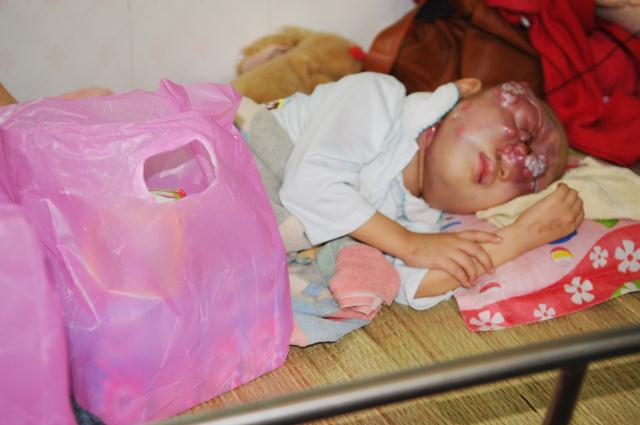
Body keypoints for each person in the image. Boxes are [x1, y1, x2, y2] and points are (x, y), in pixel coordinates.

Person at [237, 72, 583, 310]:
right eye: (522, 127)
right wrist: (409, 244)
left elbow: (411, 283)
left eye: (528, 179)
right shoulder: (377, 97)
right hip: (226, 162)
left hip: (234, 234)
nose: (518, 156)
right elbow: (311, 184)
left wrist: (523, 235)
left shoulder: (419, 222)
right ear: (465, 91)